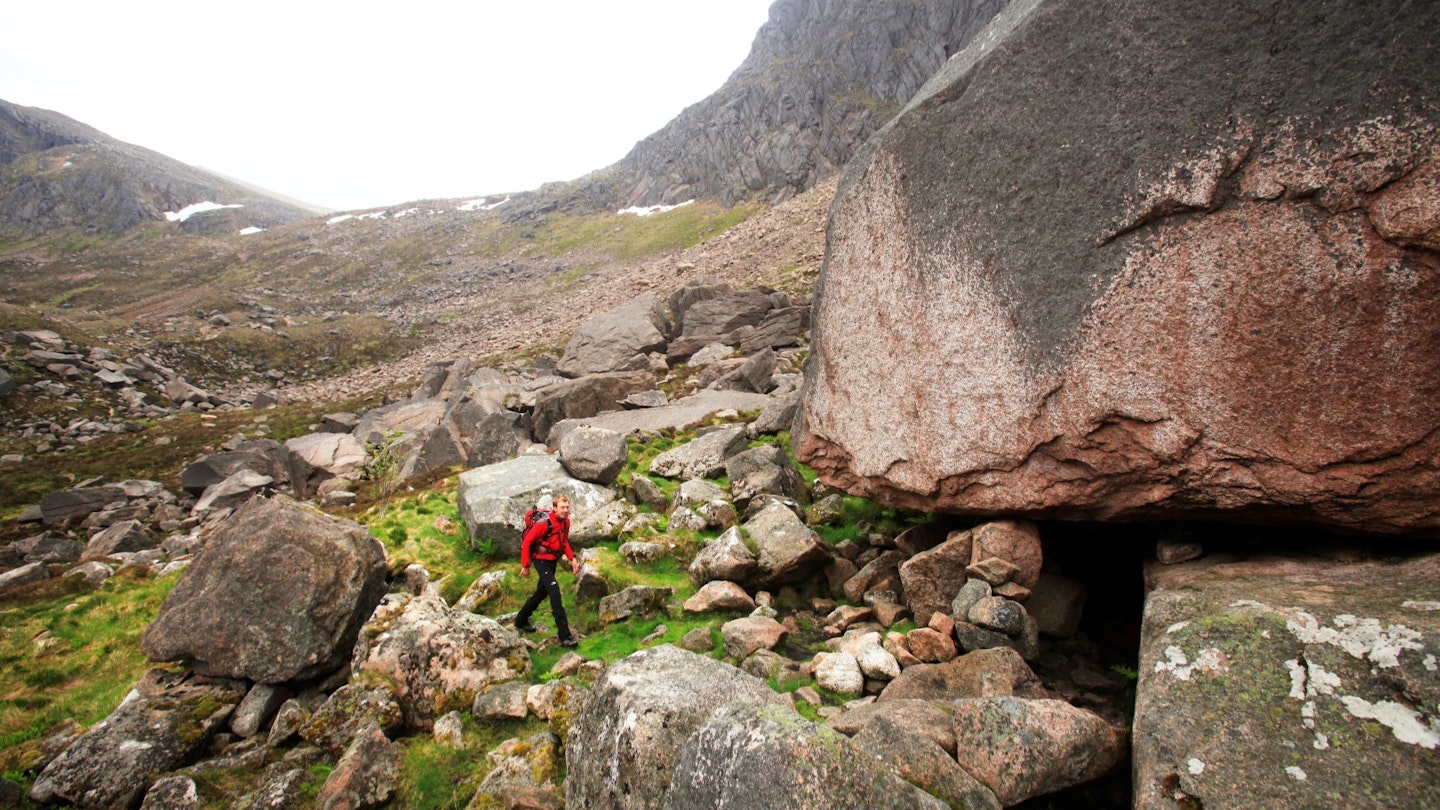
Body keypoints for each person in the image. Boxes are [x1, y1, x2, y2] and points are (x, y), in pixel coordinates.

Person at [515, 495, 581, 646]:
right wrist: (525, 565)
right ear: (555, 508)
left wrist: (573, 559)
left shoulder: (566, 523)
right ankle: (565, 636)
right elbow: (527, 542)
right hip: (541, 560)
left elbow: (564, 542)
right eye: (562, 507)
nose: (565, 510)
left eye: (567, 507)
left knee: (541, 592)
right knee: (554, 592)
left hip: (553, 560)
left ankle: (520, 619)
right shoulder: (543, 524)